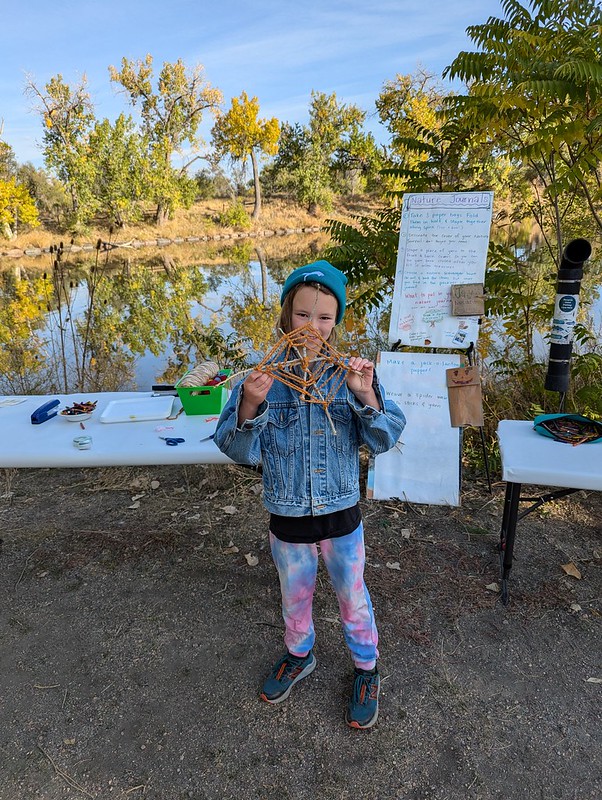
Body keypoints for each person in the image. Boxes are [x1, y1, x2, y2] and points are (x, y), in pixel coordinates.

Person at [214, 259, 406, 729]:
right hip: (288, 518)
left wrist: (366, 398)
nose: (312, 327)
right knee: (294, 596)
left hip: (342, 517)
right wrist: (251, 403)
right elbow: (236, 449)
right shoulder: (260, 380)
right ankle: (299, 655)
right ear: (286, 316)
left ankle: (366, 666)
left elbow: (386, 438)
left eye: (324, 317)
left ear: (336, 320)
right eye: (302, 315)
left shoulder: (351, 376)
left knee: (352, 595)